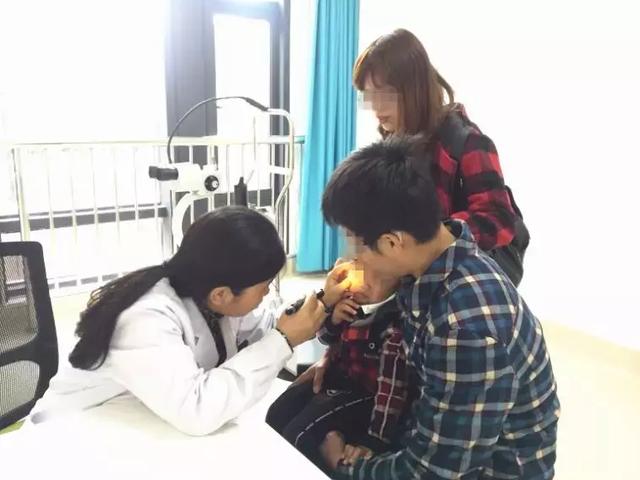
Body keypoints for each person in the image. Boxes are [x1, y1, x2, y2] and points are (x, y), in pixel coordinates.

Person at [319, 138, 560, 479]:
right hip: (432, 437)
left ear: (392, 243)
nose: (354, 259)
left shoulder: (466, 329)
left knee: (315, 449)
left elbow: (434, 472)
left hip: (484, 471)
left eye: (356, 246)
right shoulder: (436, 262)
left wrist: (346, 466)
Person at [31, 206, 352, 435]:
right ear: (222, 294)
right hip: (75, 431)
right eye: (264, 286)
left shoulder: (203, 291)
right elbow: (196, 410)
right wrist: (283, 340)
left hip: (138, 421)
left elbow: (266, 326)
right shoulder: (145, 318)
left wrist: (323, 301)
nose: (268, 293)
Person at [353, 28, 528, 286]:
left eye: (384, 94)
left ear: (414, 88)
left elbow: (499, 220)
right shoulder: (391, 145)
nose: (376, 108)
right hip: (422, 281)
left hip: (467, 285)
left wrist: (431, 237)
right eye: (369, 96)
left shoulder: (467, 142)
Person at [265, 264, 407, 473]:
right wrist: (333, 320)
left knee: (299, 434)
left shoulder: (392, 326)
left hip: (364, 395)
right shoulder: (350, 303)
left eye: (377, 277)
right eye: (360, 269)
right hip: (337, 378)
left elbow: (390, 392)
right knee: (276, 414)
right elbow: (325, 339)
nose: (363, 283)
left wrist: (374, 441)